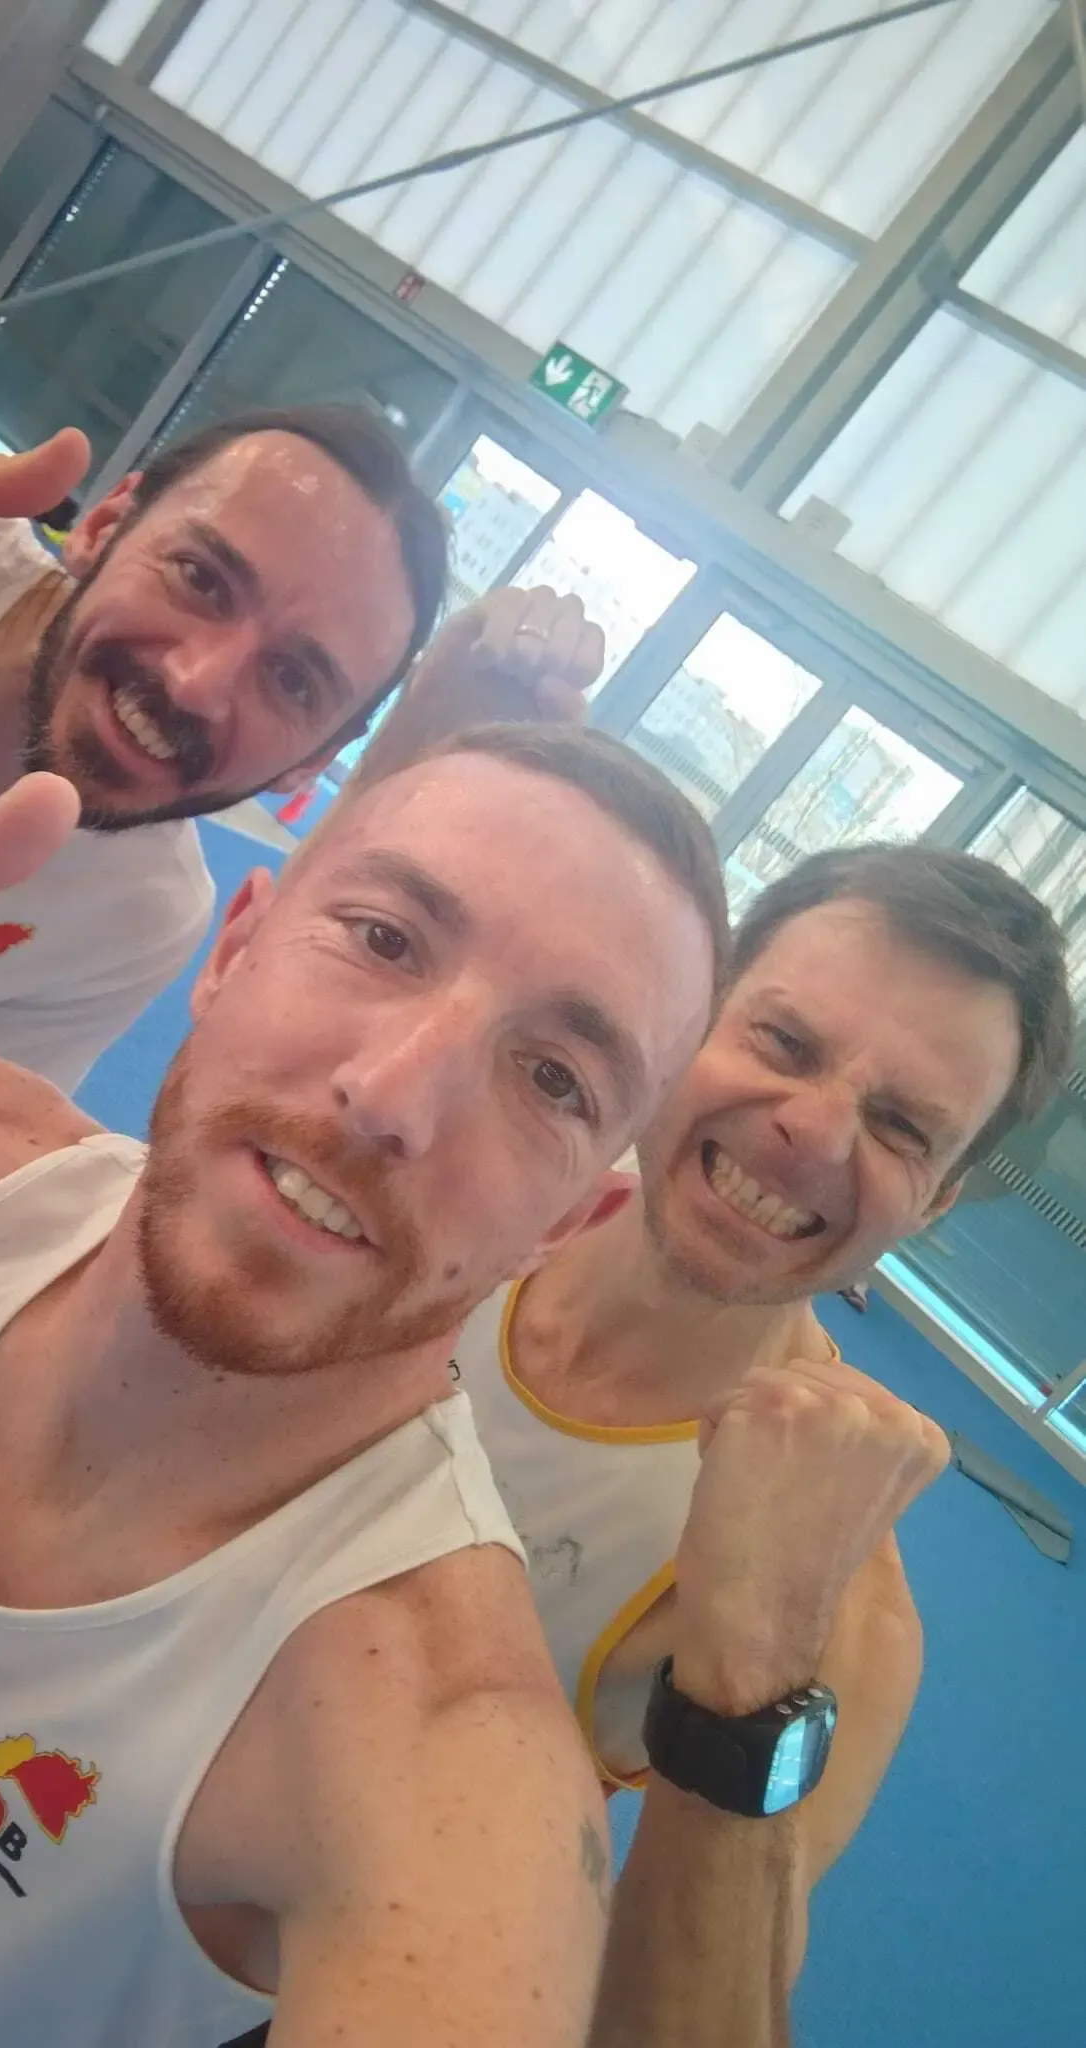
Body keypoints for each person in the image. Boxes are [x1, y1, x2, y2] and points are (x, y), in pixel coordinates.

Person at [0, 708, 725, 2047]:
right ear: (233, 946)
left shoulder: (438, 1758)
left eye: (548, 1076)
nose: (389, 1097)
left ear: (563, 1225)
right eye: (382, 939)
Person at [449, 841, 1071, 2044]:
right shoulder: (488, 1183)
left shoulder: (840, 1609)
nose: (814, 1131)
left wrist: (749, 1679)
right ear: (696, 1013)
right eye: (784, 1044)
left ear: (935, 1199)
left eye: (898, 1124)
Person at [0, 418, 602, 1089]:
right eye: (199, 578)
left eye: (291, 681)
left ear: (311, 760)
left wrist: (416, 773)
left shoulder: (139, 915)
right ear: (104, 524)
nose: (195, 683)